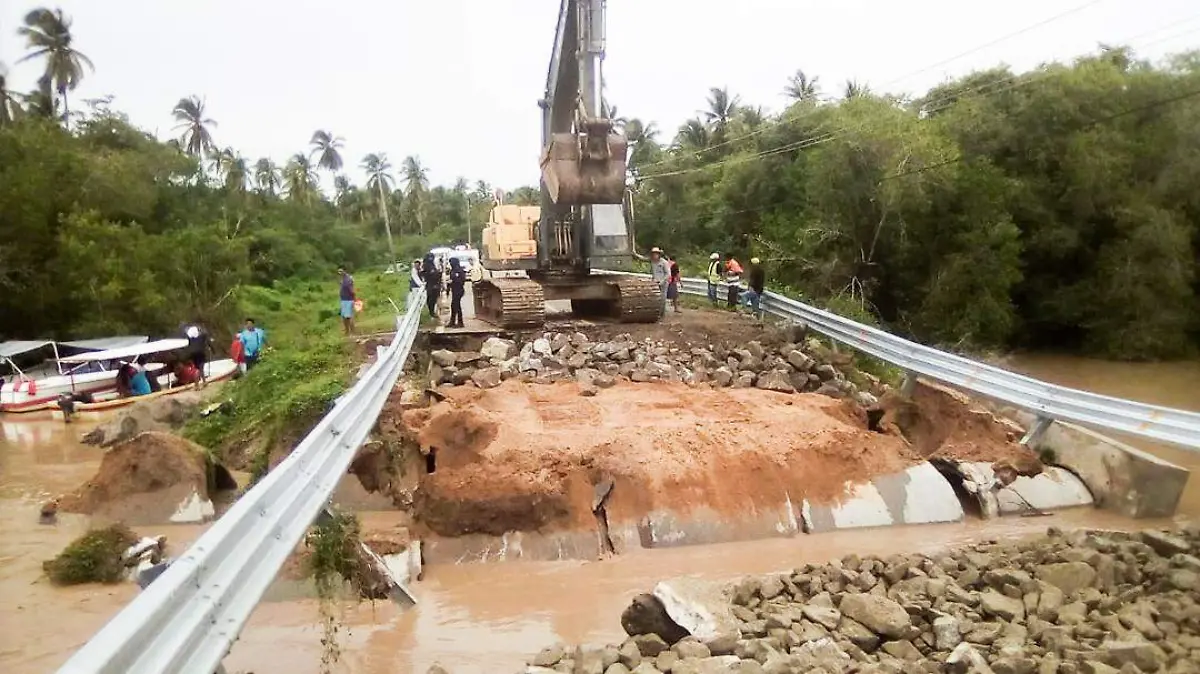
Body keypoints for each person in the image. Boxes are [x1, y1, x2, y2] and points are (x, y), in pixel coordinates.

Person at [447, 257, 468, 328]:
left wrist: (453, 281)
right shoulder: (452, 270)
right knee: (453, 306)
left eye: (451, 262)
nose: (450, 264)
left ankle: (460, 322)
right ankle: (452, 322)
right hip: (454, 290)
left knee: (457, 306)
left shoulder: (459, 270)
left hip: (459, 290)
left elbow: (461, 281)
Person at [420, 253, 442, 319]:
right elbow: (427, 274)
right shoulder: (426, 265)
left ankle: (433, 311)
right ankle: (431, 312)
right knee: (431, 299)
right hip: (431, 285)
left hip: (435, 284)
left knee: (434, 298)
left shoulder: (432, 265)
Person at [337, 267, 357, 335]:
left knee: (349, 317)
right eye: (339, 271)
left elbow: (351, 290)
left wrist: (354, 298)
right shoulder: (343, 279)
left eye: (341, 271)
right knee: (345, 317)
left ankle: (352, 332)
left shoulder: (348, 279)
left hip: (348, 300)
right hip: (344, 300)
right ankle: (347, 332)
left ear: (344, 271)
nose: (339, 273)